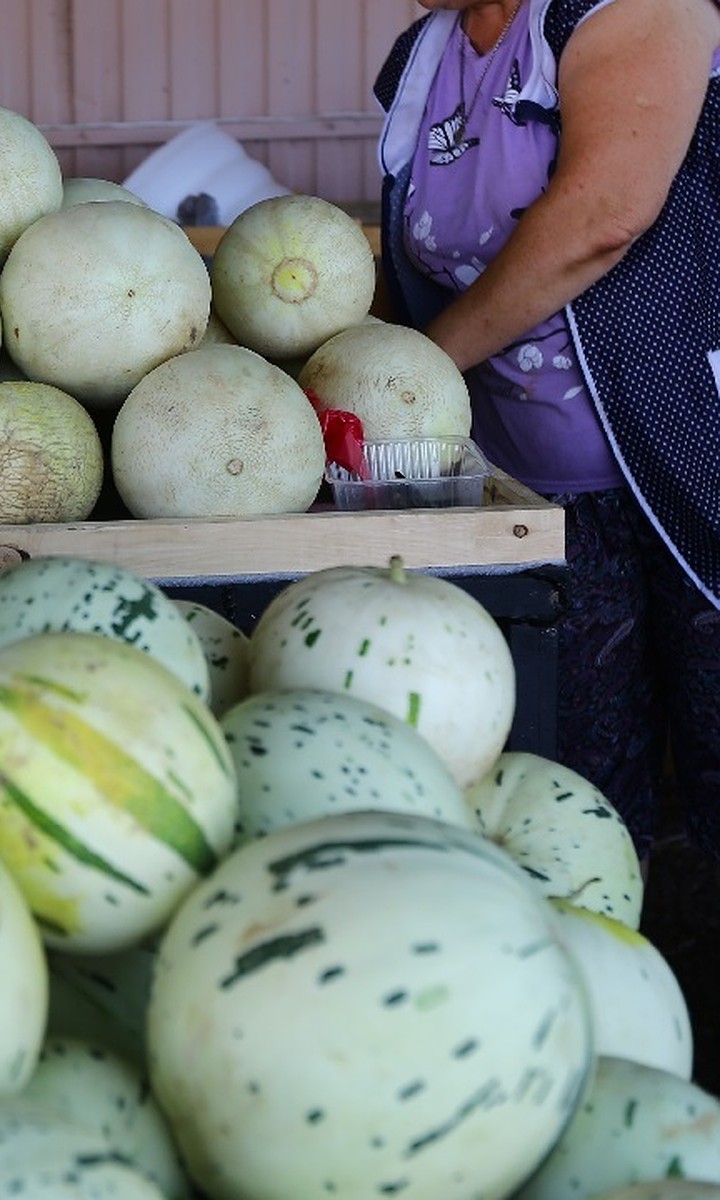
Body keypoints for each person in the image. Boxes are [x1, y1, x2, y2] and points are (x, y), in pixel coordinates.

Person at [372, 0, 720, 864]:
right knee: (579, 808)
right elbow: (407, 264)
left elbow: (604, 214)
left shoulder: (635, 12)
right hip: (529, 499)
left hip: (691, 478)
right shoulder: (423, 57)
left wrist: (418, 371)